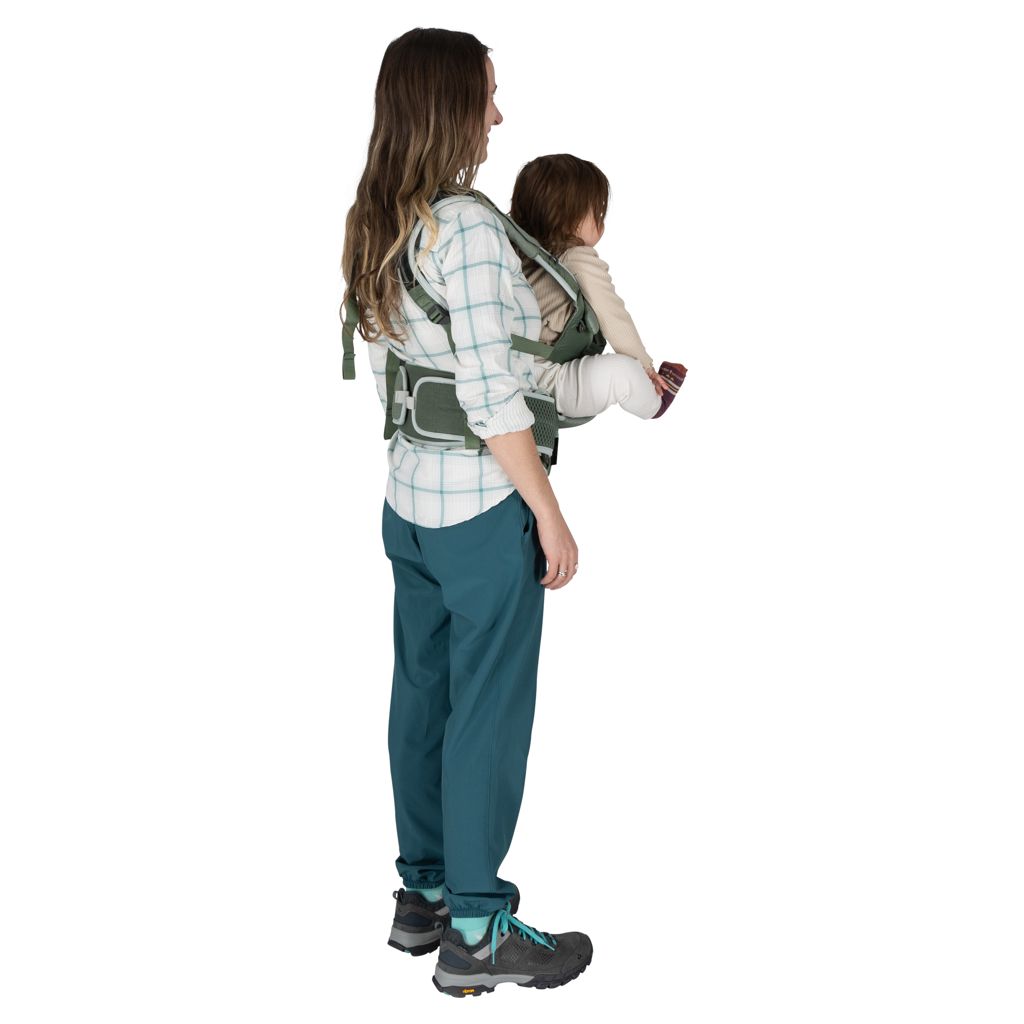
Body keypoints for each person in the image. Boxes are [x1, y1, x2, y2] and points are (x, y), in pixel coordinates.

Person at [339, 28, 593, 997]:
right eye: (486, 94)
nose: (497, 115)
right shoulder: (470, 231)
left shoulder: (375, 217)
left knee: (422, 697)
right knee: (486, 711)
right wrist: (549, 514)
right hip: (483, 513)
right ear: (449, 106)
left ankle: (425, 896)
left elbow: (398, 370)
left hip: (407, 502)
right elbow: (491, 396)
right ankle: (480, 933)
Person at [511, 153, 688, 419]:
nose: (602, 223)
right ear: (572, 221)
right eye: (598, 214)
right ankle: (655, 402)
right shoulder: (576, 257)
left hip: (501, 366)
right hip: (541, 378)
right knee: (625, 372)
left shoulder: (514, 251)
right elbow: (612, 313)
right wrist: (645, 366)